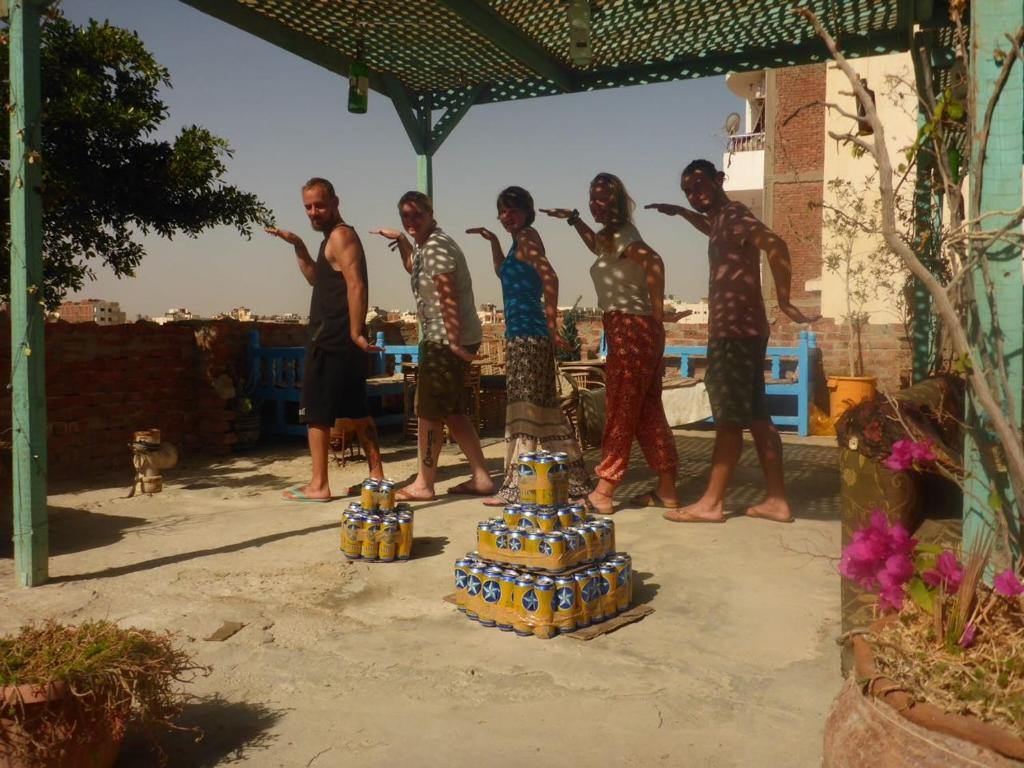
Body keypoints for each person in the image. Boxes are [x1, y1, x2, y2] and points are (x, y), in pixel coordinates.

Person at [646, 159, 819, 523]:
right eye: (688, 191)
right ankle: (777, 499)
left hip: (734, 334)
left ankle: (711, 503)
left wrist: (784, 299)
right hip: (748, 331)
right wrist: (681, 213)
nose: (694, 195)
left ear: (719, 179)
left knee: (727, 418)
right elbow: (712, 227)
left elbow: (776, 244)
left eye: (699, 186)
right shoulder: (723, 220)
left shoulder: (736, 215)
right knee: (758, 417)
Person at [541, 173, 679, 515]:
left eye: (602, 199)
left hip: (631, 328)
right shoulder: (612, 238)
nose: (595, 204)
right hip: (634, 328)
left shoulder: (626, 236)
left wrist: (657, 314)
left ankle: (605, 489)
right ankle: (667, 488)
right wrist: (575, 220)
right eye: (592, 198)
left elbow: (655, 261)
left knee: (620, 408)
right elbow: (596, 246)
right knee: (646, 409)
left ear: (617, 202)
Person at [466, 186, 592, 506]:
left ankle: (517, 486)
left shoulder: (527, 238)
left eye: (513, 210)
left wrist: (551, 324)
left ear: (526, 211)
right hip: (523, 336)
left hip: (529, 336)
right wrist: (493, 241)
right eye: (503, 211)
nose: (507, 217)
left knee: (524, 409)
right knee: (543, 408)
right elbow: (504, 272)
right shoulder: (518, 241)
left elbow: (550, 277)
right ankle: (568, 477)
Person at [266, 177, 385, 502]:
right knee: (357, 409)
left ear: (335, 203)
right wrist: (299, 246)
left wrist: (355, 331)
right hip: (338, 339)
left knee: (316, 412)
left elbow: (356, 284)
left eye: (319, 204)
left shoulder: (342, 235)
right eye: (308, 206)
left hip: (330, 338)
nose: (314, 211)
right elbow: (316, 280)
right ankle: (377, 479)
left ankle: (319, 485)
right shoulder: (329, 240)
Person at [370, 191, 495, 501]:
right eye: (405, 217)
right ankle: (481, 476)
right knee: (452, 410)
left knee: (427, 411)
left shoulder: (437, 247)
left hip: (444, 338)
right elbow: (414, 267)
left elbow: (448, 296)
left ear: (430, 213)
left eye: (416, 215)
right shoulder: (427, 245)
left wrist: (453, 343)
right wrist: (400, 239)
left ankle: (424, 483)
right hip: (448, 336)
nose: (411, 221)